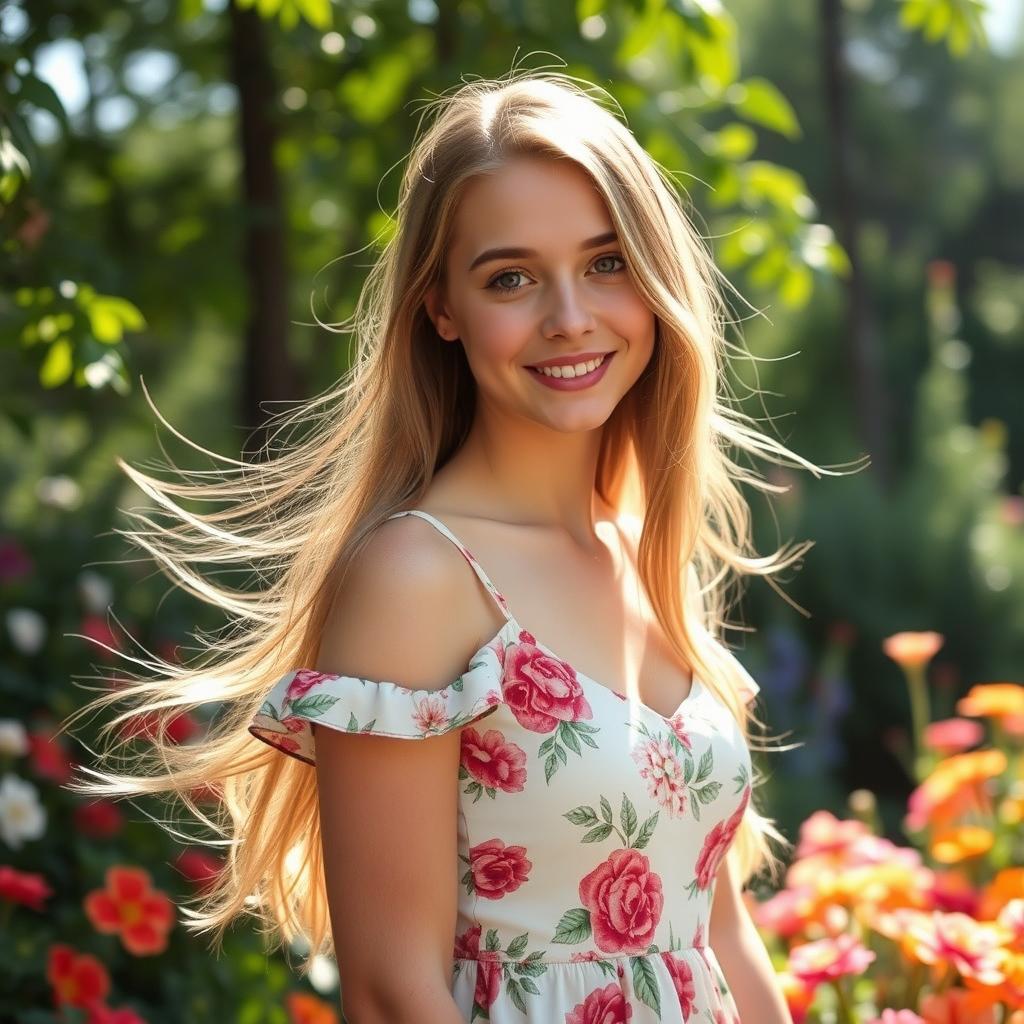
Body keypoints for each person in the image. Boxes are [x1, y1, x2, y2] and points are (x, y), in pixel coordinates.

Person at [67, 69, 853, 1023]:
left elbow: (719, 935)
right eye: (511, 278)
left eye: (606, 262)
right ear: (441, 308)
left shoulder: (645, 549)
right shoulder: (420, 577)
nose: (570, 315)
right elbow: (394, 992)